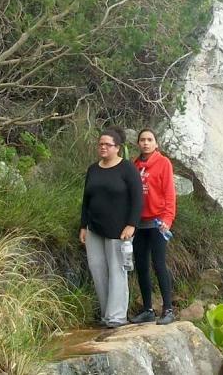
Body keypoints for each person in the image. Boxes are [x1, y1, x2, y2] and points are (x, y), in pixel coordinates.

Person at [79, 128, 143, 329]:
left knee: (117, 270)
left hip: (119, 230)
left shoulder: (127, 169)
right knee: (97, 269)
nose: (103, 147)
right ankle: (106, 314)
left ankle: (116, 316)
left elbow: (137, 198)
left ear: (118, 147)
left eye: (107, 144)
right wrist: (83, 226)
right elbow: (86, 200)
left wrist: (132, 224)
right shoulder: (93, 169)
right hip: (94, 229)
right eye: (101, 144)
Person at [128, 129, 177, 325]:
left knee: (159, 264)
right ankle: (148, 309)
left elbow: (169, 193)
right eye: (142, 140)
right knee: (141, 266)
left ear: (156, 143)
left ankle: (168, 309)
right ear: (138, 143)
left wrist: (168, 219)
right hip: (139, 224)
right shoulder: (134, 165)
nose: (146, 143)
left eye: (150, 140)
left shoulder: (163, 163)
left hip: (158, 223)